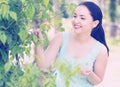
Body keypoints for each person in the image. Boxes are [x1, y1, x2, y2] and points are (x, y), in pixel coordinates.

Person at [34, 1, 109, 87]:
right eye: (75, 16)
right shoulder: (60, 38)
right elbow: (42, 66)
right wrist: (38, 43)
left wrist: (89, 74)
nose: (76, 21)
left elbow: (98, 80)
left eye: (82, 18)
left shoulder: (100, 49)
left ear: (95, 23)